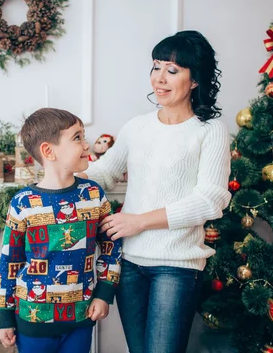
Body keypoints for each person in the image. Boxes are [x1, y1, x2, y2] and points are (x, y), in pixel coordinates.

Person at [78, 30, 232, 353]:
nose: (159, 79)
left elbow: (211, 200)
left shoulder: (211, 131)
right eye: (156, 67)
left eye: (172, 70)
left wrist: (139, 222)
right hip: (128, 264)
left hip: (177, 267)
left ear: (194, 80)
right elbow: (104, 174)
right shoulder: (137, 127)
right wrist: (58, 171)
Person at [0, 108, 123, 353]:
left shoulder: (93, 195)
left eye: (84, 136)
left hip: (80, 317)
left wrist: (104, 293)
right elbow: (9, 261)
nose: (87, 145)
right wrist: (5, 316)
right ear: (48, 151)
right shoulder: (23, 202)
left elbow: (111, 246)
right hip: (32, 321)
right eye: (77, 138)